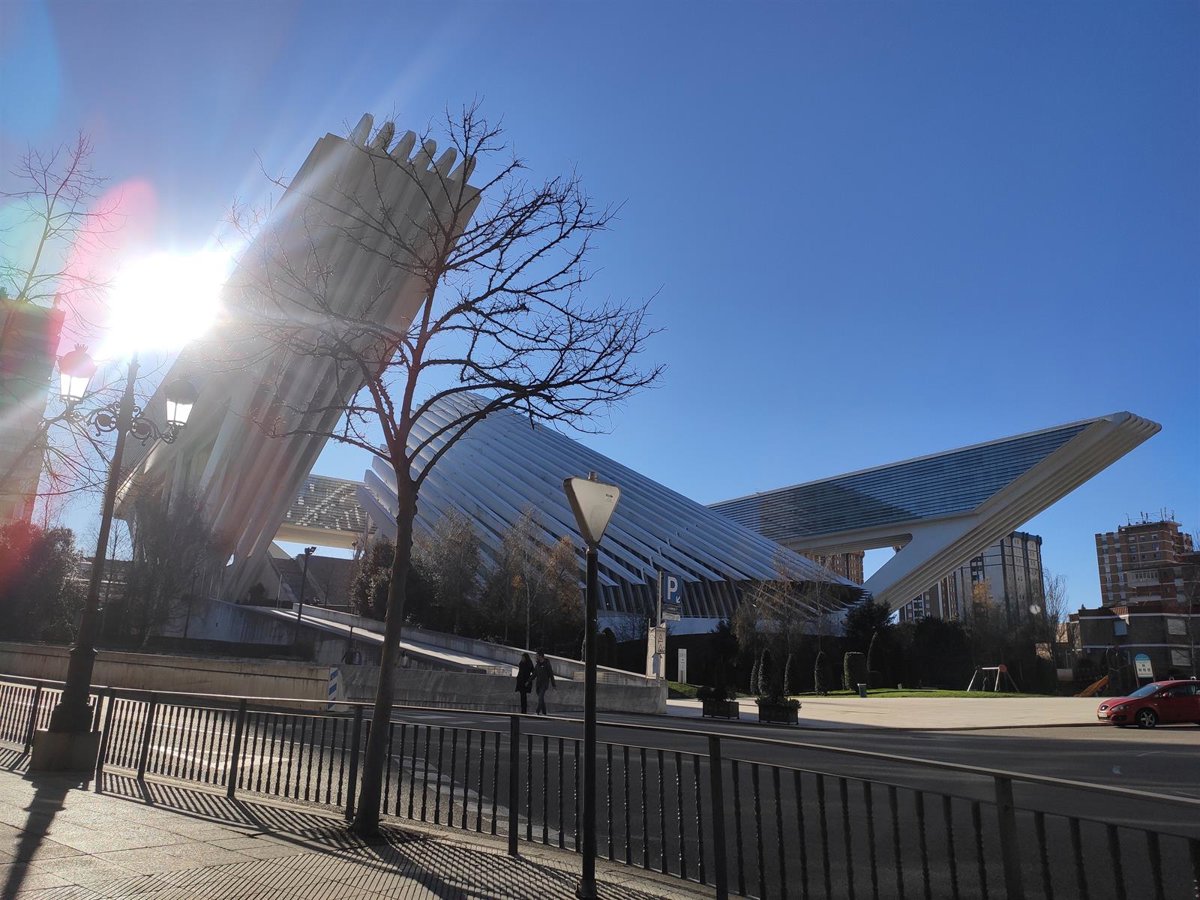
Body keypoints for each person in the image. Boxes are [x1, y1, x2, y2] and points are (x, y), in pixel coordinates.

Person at [533, 650, 556, 715]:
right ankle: (544, 712)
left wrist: (553, 684)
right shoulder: (537, 664)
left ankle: (537, 712)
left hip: (544, 684)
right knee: (541, 699)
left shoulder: (547, 664)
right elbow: (534, 674)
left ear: (540, 656)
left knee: (540, 697)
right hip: (538, 684)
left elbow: (551, 674)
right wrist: (528, 681)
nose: (536, 657)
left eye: (537, 656)